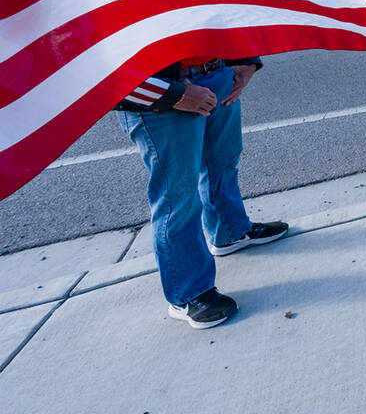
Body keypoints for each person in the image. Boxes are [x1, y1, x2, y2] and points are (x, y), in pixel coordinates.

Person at [115, 58, 288, 329]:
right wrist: (171, 94)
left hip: (216, 73)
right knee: (177, 198)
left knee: (223, 163)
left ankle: (230, 232)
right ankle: (187, 295)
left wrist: (243, 60)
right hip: (164, 94)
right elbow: (101, 64)